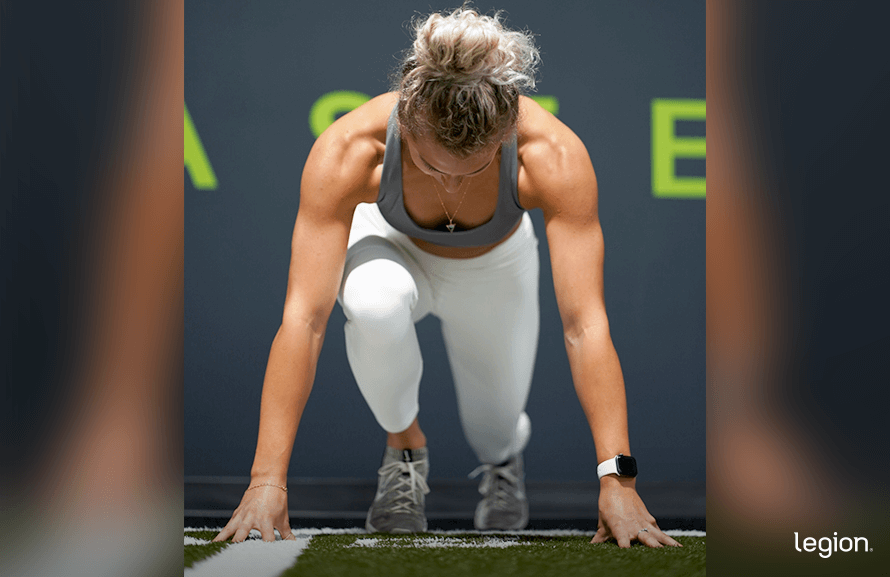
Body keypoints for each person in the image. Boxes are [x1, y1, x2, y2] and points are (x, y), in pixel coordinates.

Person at [214, 5, 680, 548]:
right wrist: (266, 480)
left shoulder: (552, 156)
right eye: (433, 167)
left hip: (495, 267)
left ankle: (503, 460)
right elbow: (304, 318)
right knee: (371, 303)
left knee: (496, 424)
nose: (452, 183)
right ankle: (405, 448)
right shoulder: (349, 151)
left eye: (476, 168)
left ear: (506, 131)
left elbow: (585, 325)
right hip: (389, 245)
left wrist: (617, 478)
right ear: (406, 118)